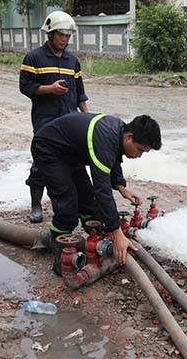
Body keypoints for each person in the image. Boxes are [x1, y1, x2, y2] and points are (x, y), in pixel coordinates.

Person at [31, 113, 161, 269]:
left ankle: (95, 243)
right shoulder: (105, 138)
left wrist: (121, 187)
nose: (139, 156)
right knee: (67, 203)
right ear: (129, 137)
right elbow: (102, 189)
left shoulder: (119, 132)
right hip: (48, 149)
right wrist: (117, 232)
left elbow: (113, 159)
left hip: (71, 153)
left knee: (87, 200)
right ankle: (62, 258)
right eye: (139, 150)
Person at [20, 10, 88, 224]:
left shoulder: (72, 61)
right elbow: (25, 87)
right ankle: (36, 204)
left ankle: (72, 205)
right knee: (42, 162)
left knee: (73, 162)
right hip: (45, 121)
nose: (65, 40)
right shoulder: (34, 58)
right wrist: (49, 88)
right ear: (49, 34)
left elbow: (80, 93)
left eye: (68, 36)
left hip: (70, 121)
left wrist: (88, 119)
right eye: (61, 35)